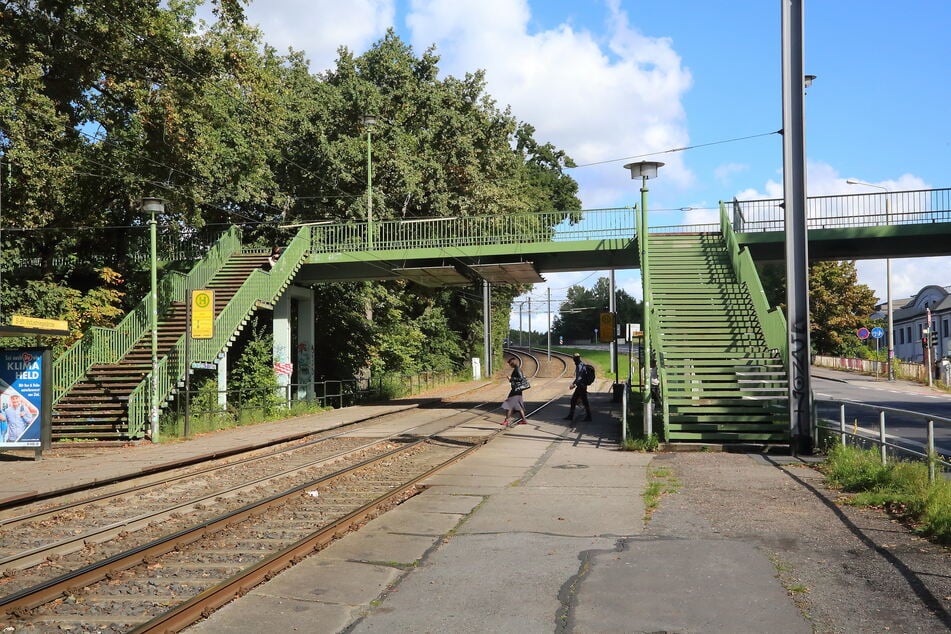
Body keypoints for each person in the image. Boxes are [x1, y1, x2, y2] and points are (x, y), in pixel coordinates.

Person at [500, 357, 528, 427]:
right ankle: (524, 420)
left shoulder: (517, 369)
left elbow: (520, 379)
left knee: (508, 404)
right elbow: (518, 379)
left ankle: (506, 421)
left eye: (510, 363)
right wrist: (511, 379)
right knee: (518, 406)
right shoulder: (516, 369)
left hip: (515, 391)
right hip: (517, 390)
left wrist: (511, 378)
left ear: (512, 363)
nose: (509, 365)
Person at [564, 353, 592, 422]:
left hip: (581, 386)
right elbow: (578, 377)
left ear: (576, 359)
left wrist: (574, 384)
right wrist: (574, 383)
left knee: (582, 401)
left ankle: (588, 417)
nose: (574, 361)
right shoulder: (580, 365)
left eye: (574, 359)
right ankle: (571, 416)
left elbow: (579, 377)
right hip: (581, 386)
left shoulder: (579, 366)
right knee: (575, 400)